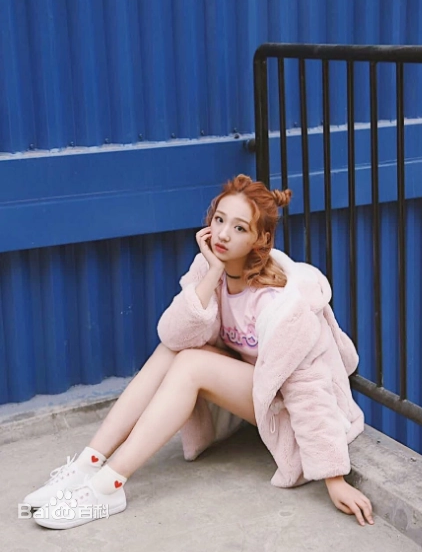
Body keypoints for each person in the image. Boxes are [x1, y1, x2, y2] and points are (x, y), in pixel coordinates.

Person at [24, 174, 373, 529]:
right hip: (253, 392)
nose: (223, 234)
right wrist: (212, 272)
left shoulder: (281, 305)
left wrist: (333, 477)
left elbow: (308, 389)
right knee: (171, 352)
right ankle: (88, 463)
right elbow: (173, 334)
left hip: (285, 410)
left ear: (261, 239)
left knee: (191, 363)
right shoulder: (212, 271)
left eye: (239, 228)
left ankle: (108, 486)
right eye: (219, 220)